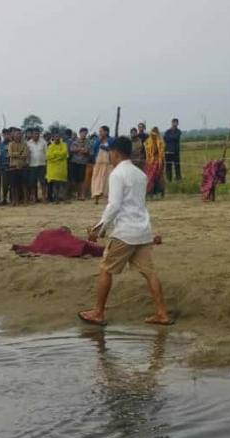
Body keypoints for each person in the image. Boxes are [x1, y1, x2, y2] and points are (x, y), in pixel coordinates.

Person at [79, 136, 173, 327]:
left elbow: (114, 205)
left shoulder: (117, 174)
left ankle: (98, 313)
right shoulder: (140, 174)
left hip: (125, 232)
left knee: (106, 269)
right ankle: (162, 312)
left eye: (110, 154)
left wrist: (99, 227)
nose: (109, 158)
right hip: (143, 230)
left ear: (115, 153)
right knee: (149, 273)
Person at [91, 126, 114, 205]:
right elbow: (94, 149)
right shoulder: (98, 140)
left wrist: (104, 147)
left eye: (101, 131)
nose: (100, 133)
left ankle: (108, 198)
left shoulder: (111, 140)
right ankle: (96, 198)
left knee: (108, 181)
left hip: (108, 164)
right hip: (98, 164)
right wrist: (99, 141)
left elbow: (112, 150)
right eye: (100, 131)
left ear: (106, 132)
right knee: (97, 180)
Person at [69, 127, 92, 201]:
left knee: (81, 179)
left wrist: (79, 149)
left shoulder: (87, 142)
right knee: (74, 179)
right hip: (74, 162)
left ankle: (81, 195)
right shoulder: (75, 141)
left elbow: (87, 151)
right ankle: (76, 194)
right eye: (83, 133)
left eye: (86, 133)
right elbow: (71, 149)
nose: (84, 134)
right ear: (80, 133)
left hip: (83, 162)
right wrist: (79, 149)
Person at [7, 128, 28, 206]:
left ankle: (25, 199)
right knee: (13, 185)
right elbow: (10, 154)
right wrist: (19, 153)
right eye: (16, 134)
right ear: (14, 135)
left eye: (19, 134)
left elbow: (25, 155)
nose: (18, 135)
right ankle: (15, 200)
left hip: (22, 166)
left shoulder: (24, 144)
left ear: (21, 135)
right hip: (13, 167)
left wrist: (15, 154)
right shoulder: (10, 144)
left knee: (24, 184)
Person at [46, 132, 69, 203]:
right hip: (53, 169)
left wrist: (55, 153)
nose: (57, 138)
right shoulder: (50, 146)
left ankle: (65, 198)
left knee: (63, 184)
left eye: (58, 137)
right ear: (53, 138)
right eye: (55, 137)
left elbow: (64, 153)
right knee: (55, 184)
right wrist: (59, 156)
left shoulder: (64, 144)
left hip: (62, 168)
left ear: (60, 137)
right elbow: (48, 156)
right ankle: (56, 199)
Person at [27, 129, 47, 203]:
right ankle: (33, 198)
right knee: (32, 183)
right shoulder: (28, 143)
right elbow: (27, 155)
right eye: (34, 133)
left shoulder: (43, 142)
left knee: (43, 182)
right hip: (32, 165)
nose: (36, 135)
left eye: (37, 134)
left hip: (42, 165)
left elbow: (46, 153)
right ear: (32, 134)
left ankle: (43, 197)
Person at [145, 127, 166, 198]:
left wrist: (160, 160)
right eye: (152, 133)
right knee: (150, 176)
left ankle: (161, 192)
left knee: (159, 177)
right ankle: (149, 192)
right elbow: (148, 151)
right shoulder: (148, 141)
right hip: (150, 161)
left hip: (159, 161)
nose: (154, 135)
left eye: (155, 133)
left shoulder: (160, 141)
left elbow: (161, 152)